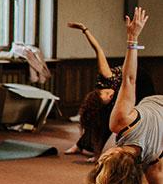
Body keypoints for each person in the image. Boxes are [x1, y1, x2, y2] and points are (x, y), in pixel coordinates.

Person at [79, 7, 161, 184]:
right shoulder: (122, 124)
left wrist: (133, 39)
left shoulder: (121, 124)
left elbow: (129, 80)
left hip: (158, 120)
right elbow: (128, 81)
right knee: (98, 178)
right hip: (147, 130)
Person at [65, 21, 155, 161]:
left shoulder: (106, 76)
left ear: (100, 90)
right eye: (108, 98)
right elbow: (106, 128)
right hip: (129, 83)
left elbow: (98, 49)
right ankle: (81, 145)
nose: (110, 94)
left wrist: (85, 29)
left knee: (133, 119)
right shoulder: (109, 103)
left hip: (141, 83)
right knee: (102, 120)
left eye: (106, 93)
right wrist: (98, 155)